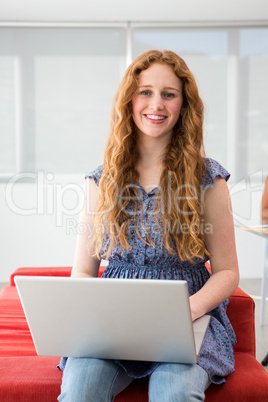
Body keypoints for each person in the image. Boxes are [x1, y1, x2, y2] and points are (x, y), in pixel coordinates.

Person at [58, 50, 239, 402]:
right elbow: (82, 270)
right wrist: (93, 315)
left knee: (174, 393)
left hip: (187, 318)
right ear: (129, 100)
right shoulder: (101, 180)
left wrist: (188, 310)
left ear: (183, 105)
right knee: (79, 390)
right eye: (146, 92)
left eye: (169, 94)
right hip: (115, 322)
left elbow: (228, 271)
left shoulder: (208, 178)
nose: (156, 104)